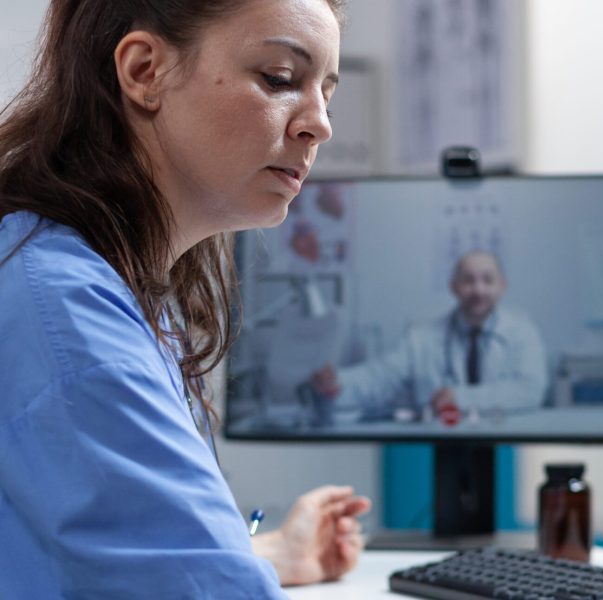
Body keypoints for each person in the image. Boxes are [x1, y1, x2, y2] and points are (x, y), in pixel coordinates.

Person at [0, 0, 370, 598]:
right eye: (280, 78)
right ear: (145, 71)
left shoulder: (107, 282)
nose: (320, 124)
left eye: (326, 92)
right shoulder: (67, 314)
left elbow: (132, 551)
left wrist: (271, 553)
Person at [311, 251, 548, 425]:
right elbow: (381, 376)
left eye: (487, 280)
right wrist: (339, 382)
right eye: (468, 281)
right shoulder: (423, 337)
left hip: (505, 444)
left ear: (502, 286)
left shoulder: (522, 332)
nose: (478, 290)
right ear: (454, 287)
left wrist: (460, 398)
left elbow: (530, 390)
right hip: (439, 445)